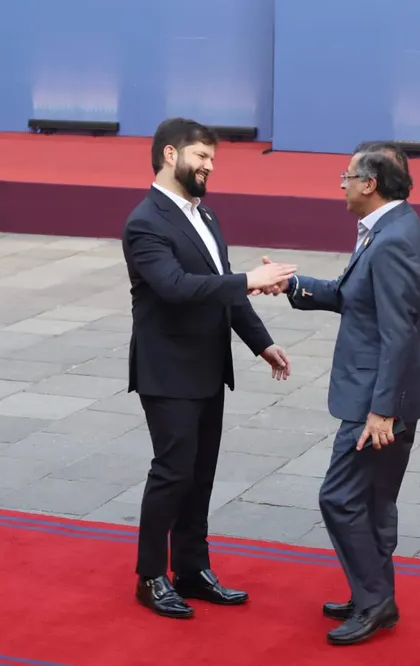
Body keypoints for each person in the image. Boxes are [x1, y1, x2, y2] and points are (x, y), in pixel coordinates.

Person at [122, 118, 297, 620]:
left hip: (205, 366)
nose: (209, 167)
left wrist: (261, 343)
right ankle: (151, 575)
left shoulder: (207, 216)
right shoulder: (144, 222)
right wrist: (248, 279)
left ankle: (193, 569)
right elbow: (177, 287)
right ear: (170, 154)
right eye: (201, 157)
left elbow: (221, 289)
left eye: (213, 160)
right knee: (172, 473)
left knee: (200, 475)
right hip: (167, 370)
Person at [262, 143, 420, 645]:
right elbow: (349, 294)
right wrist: (291, 285)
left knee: (339, 497)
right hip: (389, 398)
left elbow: (399, 333)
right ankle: (374, 596)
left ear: (369, 184)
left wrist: (381, 411)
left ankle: (375, 601)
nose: (340, 183)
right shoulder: (389, 229)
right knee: (374, 502)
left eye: (346, 175)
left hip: (379, 403)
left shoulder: (392, 240)